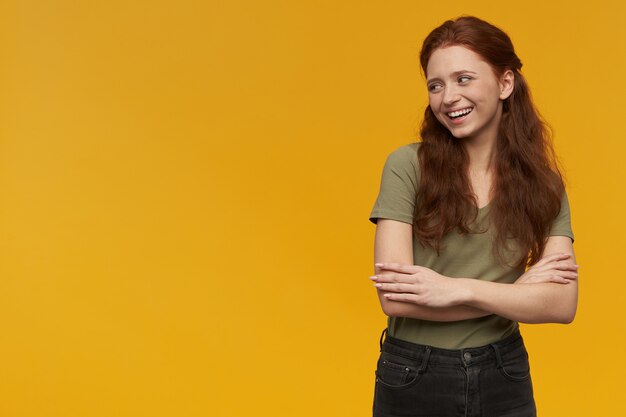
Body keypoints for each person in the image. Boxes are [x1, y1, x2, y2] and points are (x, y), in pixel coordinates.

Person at [368, 16, 577, 417]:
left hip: (505, 373)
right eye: (436, 85)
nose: (448, 97)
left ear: (505, 83)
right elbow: (394, 297)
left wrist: (457, 289)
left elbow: (561, 305)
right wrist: (517, 293)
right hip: (413, 373)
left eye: (463, 78)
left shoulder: (544, 184)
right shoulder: (407, 165)